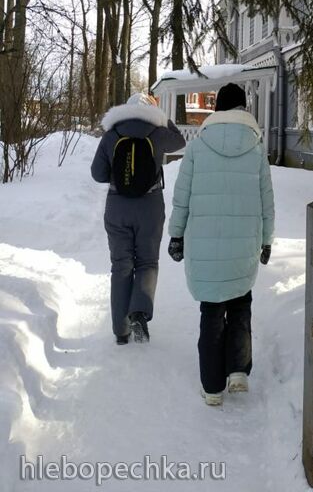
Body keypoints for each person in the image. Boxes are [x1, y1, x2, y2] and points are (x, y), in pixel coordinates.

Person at [168, 83, 274, 406]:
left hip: (205, 245)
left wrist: (176, 235)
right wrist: (267, 240)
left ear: (217, 109)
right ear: (243, 108)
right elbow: (266, 200)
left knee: (212, 311)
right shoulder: (256, 147)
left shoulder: (198, 146)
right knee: (240, 304)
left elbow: (182, 196)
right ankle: (238, 370)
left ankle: (213, 388)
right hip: (243, 245)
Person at [91, 92, 186, 344]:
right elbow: (181, 141)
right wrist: (163, 119)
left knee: (121, 266)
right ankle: (139, 312)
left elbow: (97, 174)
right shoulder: (157, 132)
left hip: (117, 206)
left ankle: (120, 332)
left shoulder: (111, 134)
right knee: (147, 262)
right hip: (150, 206)